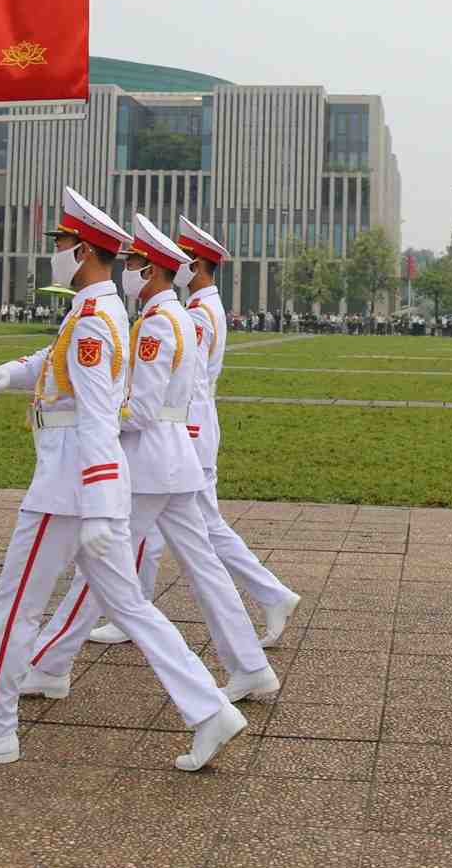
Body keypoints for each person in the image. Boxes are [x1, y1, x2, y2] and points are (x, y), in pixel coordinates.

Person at [0, 189, 244, 770]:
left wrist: (104, 507)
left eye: (58, 243)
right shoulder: (94, 313)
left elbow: (102, 416)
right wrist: (11, 373)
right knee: (129, 607)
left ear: (80, 251)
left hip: (67, 485)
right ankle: (210, 710)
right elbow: (59, 369)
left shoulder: (96, 321)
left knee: (14, 607)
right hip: (80, 483)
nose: (52, 251)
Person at [15, 214, 279, 705]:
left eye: (134, 262)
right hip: (174, 457)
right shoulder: (174, 316)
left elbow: (140, 410)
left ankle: (50, 663)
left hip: (150, 460)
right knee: (203, 568)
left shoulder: (157, 325)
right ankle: (250, 665)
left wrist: (92, 416)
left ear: (152, 271)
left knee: (99, 572)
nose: (127, 269)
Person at [89, 216, 302, 648]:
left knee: (199, 530)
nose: (180, 265)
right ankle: (138, 606)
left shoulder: (196, 314)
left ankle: (269, 593)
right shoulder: (198, 309)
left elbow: (185, 380)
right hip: (185, 428)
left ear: (197, 266)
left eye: (187, 260)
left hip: (185, 428)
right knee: (179, 531)